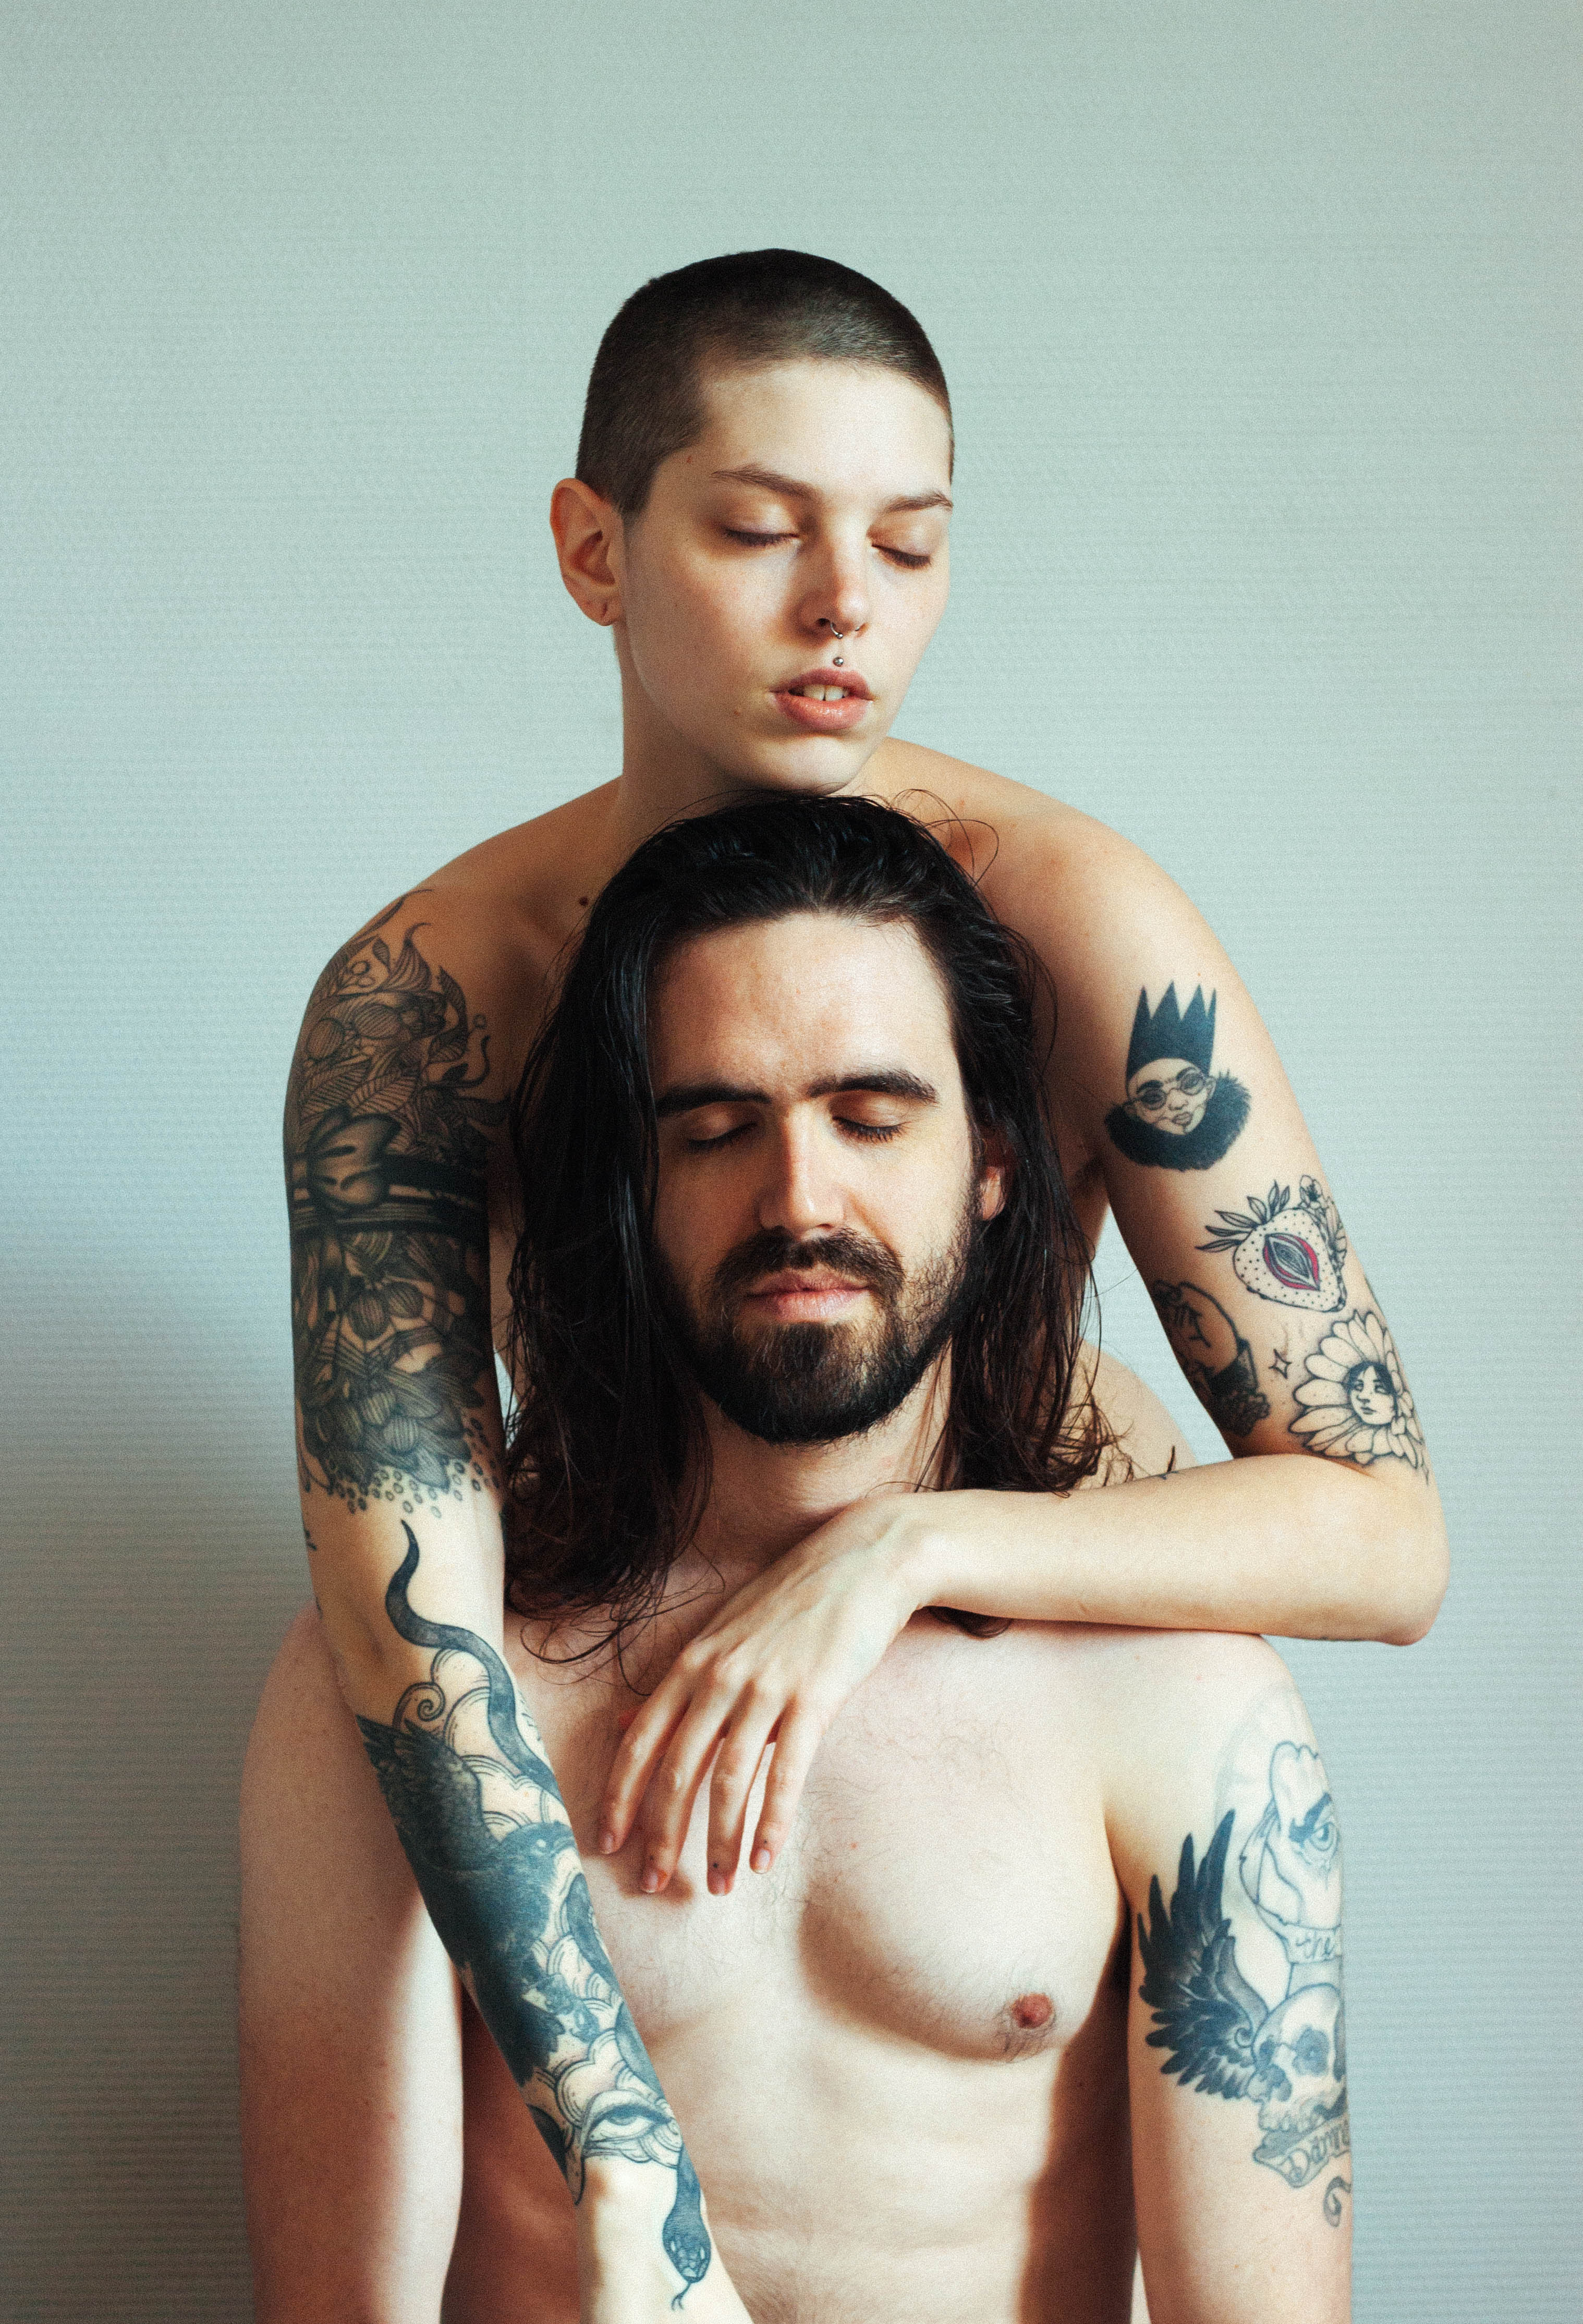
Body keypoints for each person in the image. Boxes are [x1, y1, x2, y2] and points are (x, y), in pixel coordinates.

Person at [273, 250, 1439, 2310]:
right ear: (594, 550)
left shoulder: (1066, 921)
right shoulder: (439, 997)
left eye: (909, 546)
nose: (847, 613)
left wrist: (897, 1556)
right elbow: (407, 1607)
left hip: (1030, 1699)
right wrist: (628, 2160)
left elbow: (1381, 1530)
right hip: (621, 1663)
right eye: (760, 530)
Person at [243, 798, 1353, 2320]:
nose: (800, 1202)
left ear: (994, 1160)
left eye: (873, 1118)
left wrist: (908, 1553)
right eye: (714, 1130)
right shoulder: (402, 1697)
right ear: (629, 1182)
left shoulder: (1181, 1700)